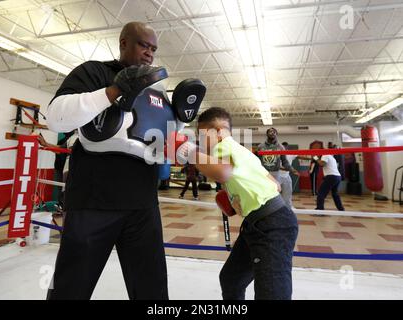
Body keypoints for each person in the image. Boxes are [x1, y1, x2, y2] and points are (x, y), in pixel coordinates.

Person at [45, 21, 204, 300]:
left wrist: (187, 139)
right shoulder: (94, 71)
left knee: (152, 291)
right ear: (123, 43)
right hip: (93, 204)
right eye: (144, 45)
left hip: (143, 207)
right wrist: (113, 92)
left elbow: (167, 143)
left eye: (153, 48)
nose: (149, 53)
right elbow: (55, 117)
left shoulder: (157, 92)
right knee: (70, 289)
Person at [170, 107, 298, 300]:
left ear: (219, 132)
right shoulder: (245, 153)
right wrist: (238, 196)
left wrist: (189, 151)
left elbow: (222, 172)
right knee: (231, 279)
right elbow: (276, 185)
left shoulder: (223, 146)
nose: (202, 142)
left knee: (271, 295)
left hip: (272, 226)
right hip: (260, 223)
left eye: (202, 136)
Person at [257, 128, 299, 208]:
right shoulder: (260, 147)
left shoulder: (281, 147)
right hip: (264, 174)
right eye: (270, 132)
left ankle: (276, 212)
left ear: (276, 134)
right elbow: (257, 161)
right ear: (267, 134)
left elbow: (285, 162)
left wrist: (292, 169)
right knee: (264, 195)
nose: (272, 133)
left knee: (275, 196)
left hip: (276, 174)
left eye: (274, 132)